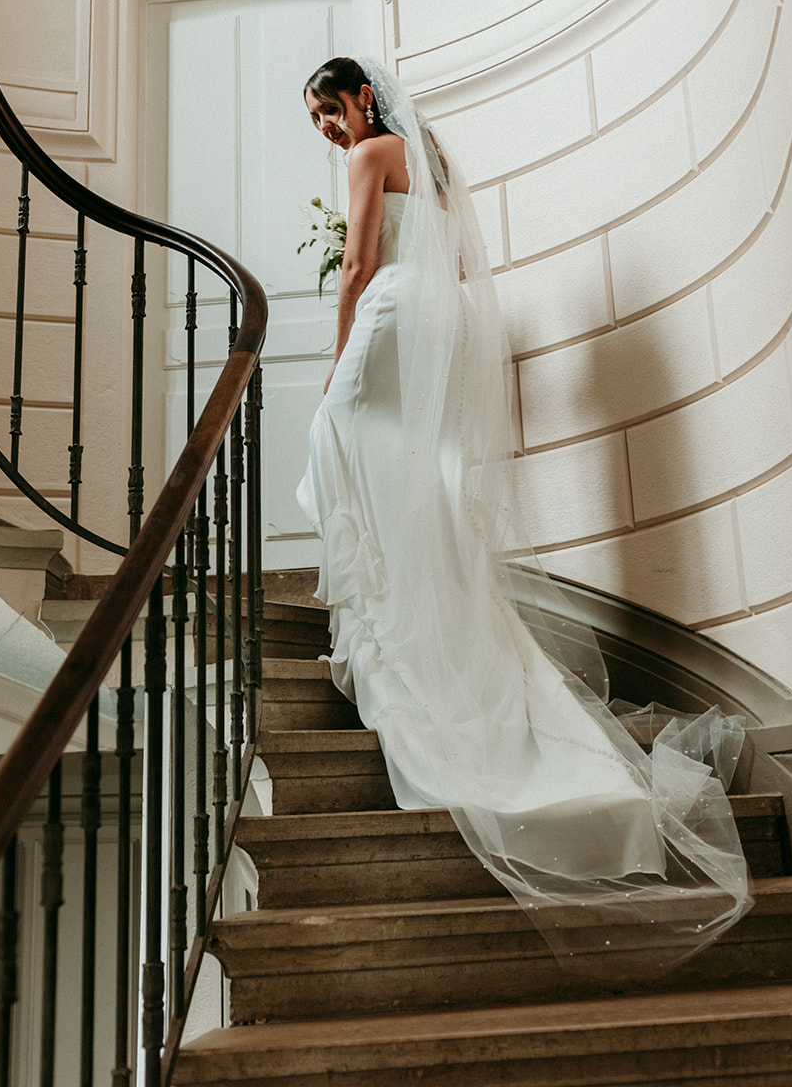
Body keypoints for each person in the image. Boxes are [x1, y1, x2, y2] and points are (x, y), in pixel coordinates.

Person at [296, 55, 751, 975]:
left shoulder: (371, 153)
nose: (328, 131)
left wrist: (339, 345)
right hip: (436, 317)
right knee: (401, 479)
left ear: (360, 98)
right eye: (318, 123)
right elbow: (458, 264)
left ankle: (393, 640)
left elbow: (354, 264)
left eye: (328, 111)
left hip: (387, 315)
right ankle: (421, 632)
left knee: (333, 438)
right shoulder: (429, 162)